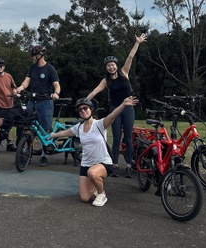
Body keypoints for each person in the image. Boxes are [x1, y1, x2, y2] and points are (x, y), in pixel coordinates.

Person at [50, 96, 139, 207]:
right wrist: (52, 135)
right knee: (85, 198)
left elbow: (112, 115)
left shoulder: (99, 124)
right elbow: (66, 132)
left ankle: (102, 194)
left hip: (103, 163)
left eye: (85, 108)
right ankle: (96, 184)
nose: (83, 111)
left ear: (91, 109)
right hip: (86, 164)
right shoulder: (79, 127)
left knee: (92, 173)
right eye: (80, 109)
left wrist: (123, 104)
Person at [86, 33, 147, 178]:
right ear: (106, 68)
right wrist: (84, 103)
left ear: (116, 65)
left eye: (113, 65)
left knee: (128, 138)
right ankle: (114, 165)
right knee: (116, 137)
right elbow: (94, 92)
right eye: (108, 65)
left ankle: (129, 165)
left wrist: (137, 43)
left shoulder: (124, 73)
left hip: (128, 109)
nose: (111, 67)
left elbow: (130, 57)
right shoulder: (106, 81)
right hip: (114, 110)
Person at [16, 45, 61, 166]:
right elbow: (26, 81)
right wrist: (20, 88)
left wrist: (56, 93)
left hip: (46, 101)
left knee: (45, 128)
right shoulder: (32, 68)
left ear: (40, 55)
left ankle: (44, 155)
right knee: (29, 126)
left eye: (33, 55)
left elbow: (57, 85)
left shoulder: (50, 68)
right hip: (33, 100)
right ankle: (26, 153)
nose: (32, 58)